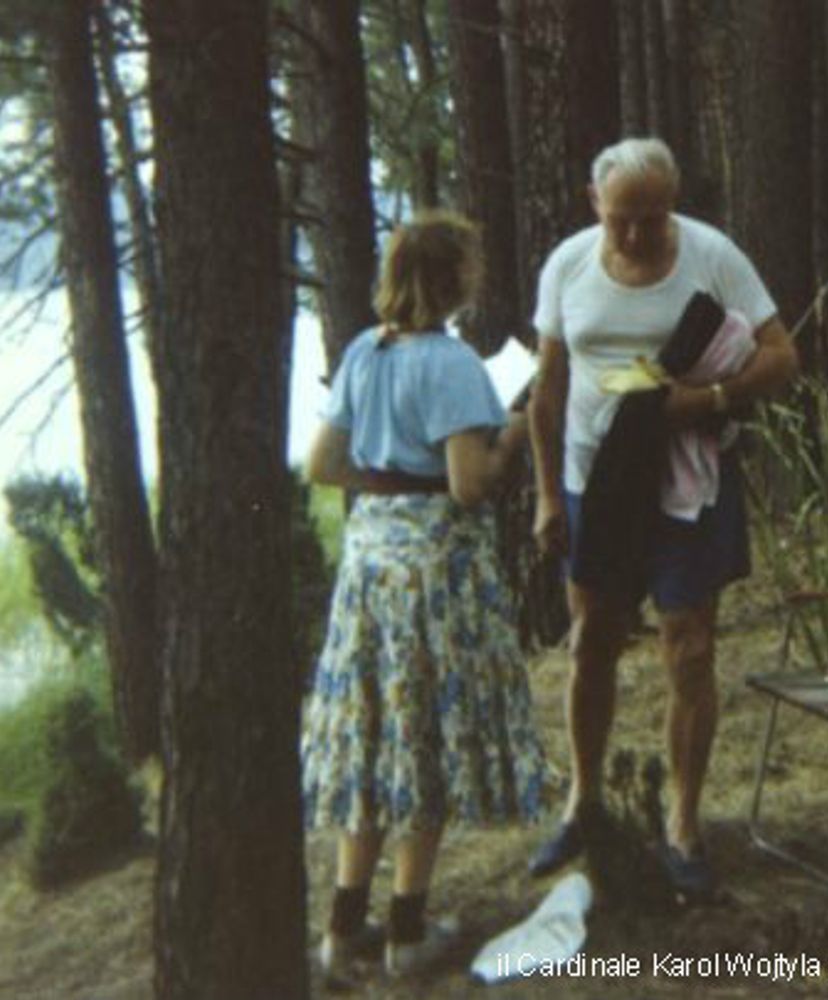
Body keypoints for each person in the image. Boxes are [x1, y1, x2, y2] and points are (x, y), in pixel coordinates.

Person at [526, 137, 798, 897]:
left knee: (690, 649)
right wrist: (549, 495)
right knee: (593, 641)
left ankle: (683, 822)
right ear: (594, 205)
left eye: (653, 216)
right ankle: (583, 801)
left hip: (686, 484)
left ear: (673, 203)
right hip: (595, 482)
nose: (639, 234)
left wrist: (707, 402)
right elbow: (547, 393)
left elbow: (783, 356)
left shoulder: (713, 256)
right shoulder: (569, 265)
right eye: (622, 220)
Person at [301, 210, 544, 979]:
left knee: (375, 740)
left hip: (370, 566)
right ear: (457, 280)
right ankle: (407, 931)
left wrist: (387, 477)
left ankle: (343, 929)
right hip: (434, 576)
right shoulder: (451, 363)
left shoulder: (363, 352)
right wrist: (514, 426)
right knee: (423, 743)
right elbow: (470, 486)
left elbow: (322, 464)